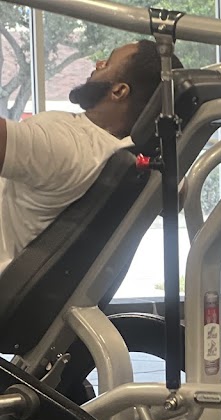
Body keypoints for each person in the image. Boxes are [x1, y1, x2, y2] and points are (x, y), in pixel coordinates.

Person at [0, 40, 174, 276]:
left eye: (107, 64)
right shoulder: (126, 152)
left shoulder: (67, 144)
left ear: (119, 91)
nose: (98, 64)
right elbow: (179, 192)